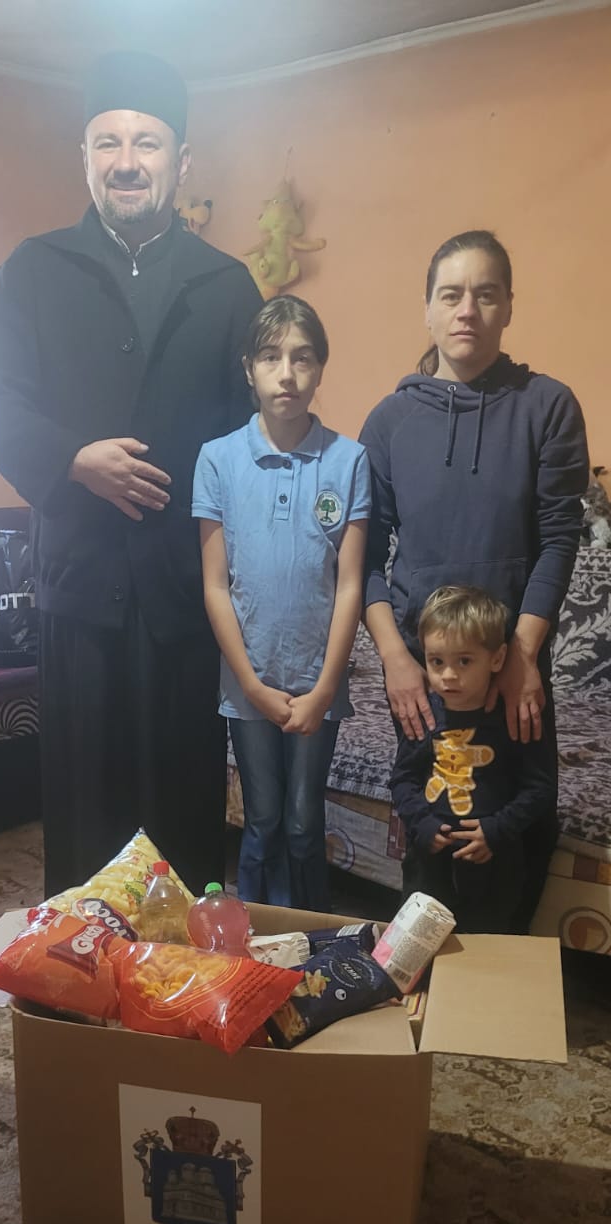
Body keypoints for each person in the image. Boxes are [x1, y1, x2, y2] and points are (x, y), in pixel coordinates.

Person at [0, 51, 261, 897]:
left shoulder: (227, 285)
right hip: (80, 590)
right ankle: (80, 972)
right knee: (85, 815)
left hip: (184, 597)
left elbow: (255, 434)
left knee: (182, 815)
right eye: (107, 143)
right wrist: (70, 459)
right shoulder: (33, 269)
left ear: (181, 162)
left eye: (146, 143)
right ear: (85, 157)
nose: (126, 161)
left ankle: (182, 974)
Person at [360, 229, 589, 929]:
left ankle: (505, 980)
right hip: (425, 676)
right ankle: (425, 976)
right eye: (451, 294)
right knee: (429, 838)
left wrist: (521, 655)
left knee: (518, 832)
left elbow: (559, 538)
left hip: (510, 667)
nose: (467, 310)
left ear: (509, 306)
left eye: (486, 294)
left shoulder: (548, 405)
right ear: (427, 308)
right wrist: (395, 660)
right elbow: (364, 558)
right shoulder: (389, 421)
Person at [193, 296, 369, 911]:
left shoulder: (349, 461)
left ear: (320, 368)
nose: (286, 374)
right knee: (263, 819)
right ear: (249, 368)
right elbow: (216, 585)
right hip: (249, 683)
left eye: (302, 358)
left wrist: (324, 689)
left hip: (319, 682)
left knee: (301, 822)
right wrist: (250, 682)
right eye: (270, 357)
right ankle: (247, 940)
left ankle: (313, 938)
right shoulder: (217, 459)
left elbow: (350, 585)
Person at [391, 586, 556, 933]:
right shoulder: (424, 717)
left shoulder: (512, 717)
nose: (448, 675)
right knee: (418, 946)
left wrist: (497, 830)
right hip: (428, 862)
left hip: (494, 863)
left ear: (496, 659)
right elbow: (402, 779)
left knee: (485, 948)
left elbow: (539, 788)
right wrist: (422, 824)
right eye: (437, 661)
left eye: (464, 661)